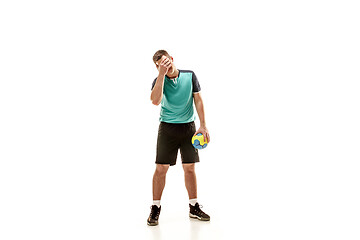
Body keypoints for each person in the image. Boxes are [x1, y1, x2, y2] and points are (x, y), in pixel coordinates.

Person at [147, 50, 211, 226]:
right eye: (160, 65)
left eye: (166, 61)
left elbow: (198, 100)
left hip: (188, 128)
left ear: (172, 59)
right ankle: (155, 208)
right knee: (161, 168)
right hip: (167, 128)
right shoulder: (159, 81)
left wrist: (203, 125)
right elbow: (155, 100)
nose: (165, 66)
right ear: (158, 67)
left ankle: (193, 206)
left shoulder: (190, 76)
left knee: (189, 168)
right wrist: (161, 76)